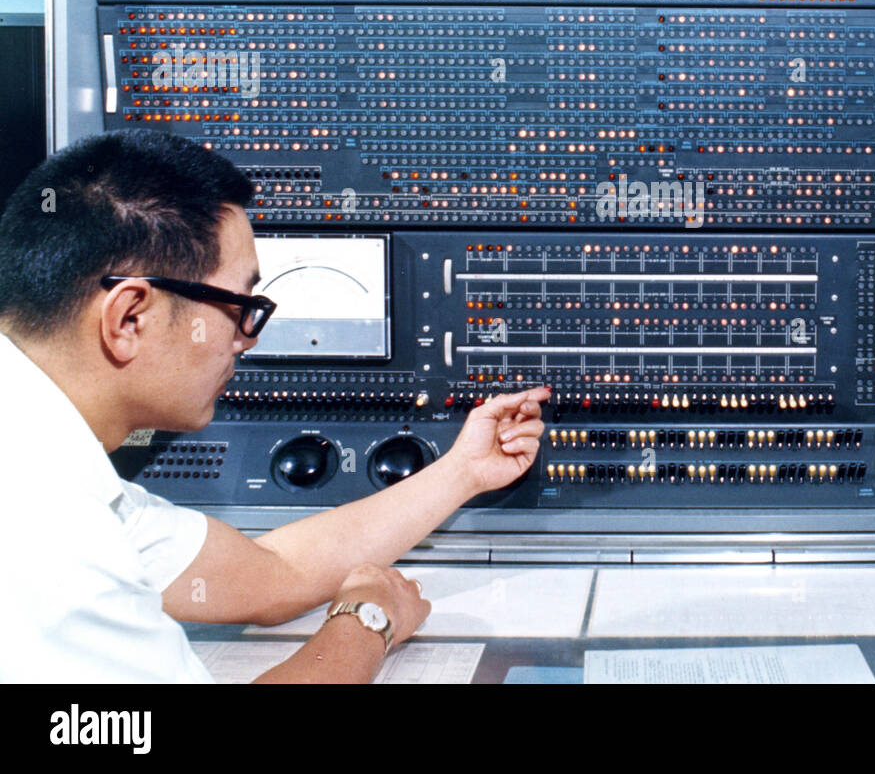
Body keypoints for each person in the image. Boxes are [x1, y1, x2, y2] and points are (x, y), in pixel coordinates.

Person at [0, 129, 549, 683]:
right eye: (240, 305)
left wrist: (462, 472)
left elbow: (269, 577)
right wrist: (366, 619)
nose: (248, 339)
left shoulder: (46, 458)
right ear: (129, 318)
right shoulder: (47, 526)